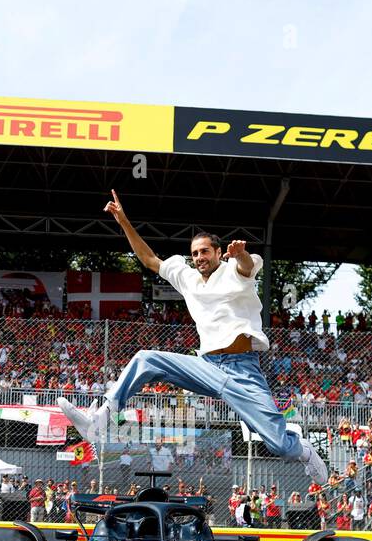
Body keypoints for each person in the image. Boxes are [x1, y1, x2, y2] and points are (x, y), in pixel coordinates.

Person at [57, 190, 327, 487]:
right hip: (208, 367)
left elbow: (248, 267)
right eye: (195, 253)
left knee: (277, 444)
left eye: (205, 252)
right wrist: (123, 221)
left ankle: (304, 451)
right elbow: (149, 259)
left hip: (242, 370)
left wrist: (240, 254)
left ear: (218, 251)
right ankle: (101, 418)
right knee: (146, 358)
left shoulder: (234, 271)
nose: (199, 257)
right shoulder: (186, 277)